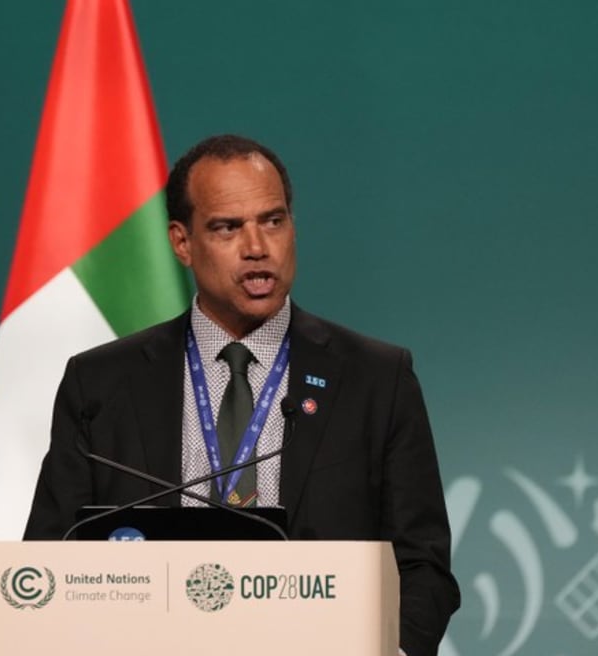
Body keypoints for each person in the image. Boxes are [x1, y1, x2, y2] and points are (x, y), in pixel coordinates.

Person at [24, 134, 460, 656]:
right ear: (182, 243)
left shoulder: (376, 379)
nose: (257, 247)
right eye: (227, 227)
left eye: (273, 221)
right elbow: (51, 559)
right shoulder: (100, 384)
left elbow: (422, 564)